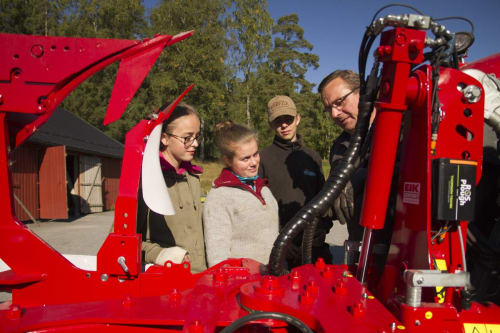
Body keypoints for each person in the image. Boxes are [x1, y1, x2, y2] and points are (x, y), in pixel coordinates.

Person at [259, 95, 333, 267]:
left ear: (297, 118)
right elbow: (259, 207)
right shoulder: (262, 158)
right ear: (271, 124)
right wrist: (279, 240)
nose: (284, 125)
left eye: (288, 119)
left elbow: (323, 200)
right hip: (278, 247)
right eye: (278, 121)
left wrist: (319, 232)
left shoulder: (312, 156)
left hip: (312, 245)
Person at [137, 103, 207, 273]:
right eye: (187, 138)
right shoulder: (146, 181)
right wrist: (160, 254)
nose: (195, 144)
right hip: (169, 283)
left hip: (200, 278)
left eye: (197, 136)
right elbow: (123, 242)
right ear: (164, 138)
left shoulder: (193, 178)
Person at [203, 121, 279, 267]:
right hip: (243, 285)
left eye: (255, 154)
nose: (254, 162)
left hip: (271, 280)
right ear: (227, 160)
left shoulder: (262, 188)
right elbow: (217, 258)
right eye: (245, 158)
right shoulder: (219, 198)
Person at [318, 70, 376, 242]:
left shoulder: (402, 128)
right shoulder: (339, 147)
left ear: (362, 93)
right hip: (360, 245)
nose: (334, 114)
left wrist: (360, 179)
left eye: (340, 102)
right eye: (329, 109)